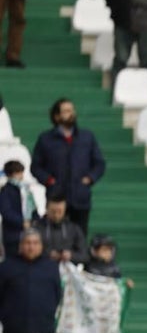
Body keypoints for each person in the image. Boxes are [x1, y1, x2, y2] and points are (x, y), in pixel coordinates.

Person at [31, 99, 106, 236]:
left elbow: (99, 163)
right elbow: (36, 167)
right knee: (55, 236)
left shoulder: (86, 137)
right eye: (66, 111)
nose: (71, 114)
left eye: (72, 110)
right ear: (56, 116)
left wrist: (90, 178)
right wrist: (49, 181)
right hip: (56, 198)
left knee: (80, 236)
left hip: (80, 197)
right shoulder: (46, 139)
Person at [34, 196, 89, 264]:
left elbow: (85, 255)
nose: (56, 215)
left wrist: (71, 255)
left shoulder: (73, 229)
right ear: (47, 209)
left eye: (60, 211)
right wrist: (47, 255)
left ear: (65, 210)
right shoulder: (37, 228)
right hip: (42, 266)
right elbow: (28, 252)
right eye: (53, 211)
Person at [0, 160, 38, 254]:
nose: (21, 176)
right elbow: (6, 212)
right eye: (18, 173)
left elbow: (33, 207)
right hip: (13, 235)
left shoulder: (26, 190)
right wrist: (22, 222)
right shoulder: (5, 191)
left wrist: (35, 221)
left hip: (29, 233)